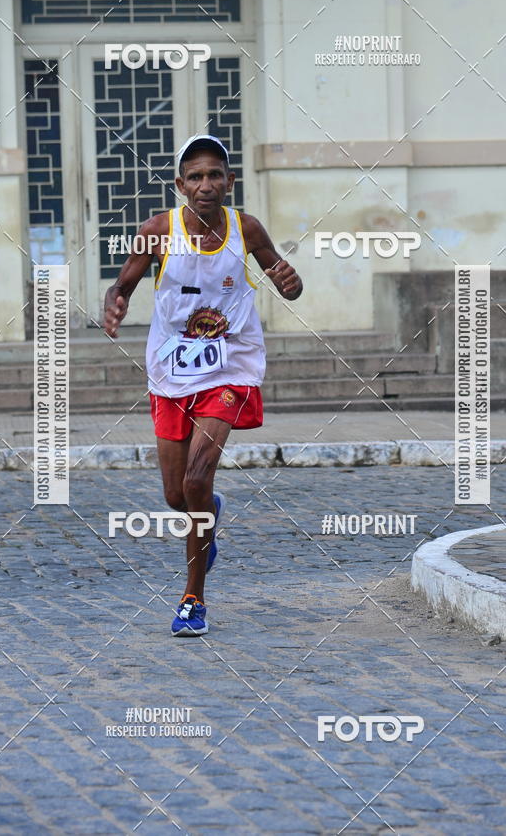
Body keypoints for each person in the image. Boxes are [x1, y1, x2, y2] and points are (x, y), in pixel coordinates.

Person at [103, 134, 303, 636]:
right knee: (178, 496)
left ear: (229, 181)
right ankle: (207, 513)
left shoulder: (246, 228)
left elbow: (282, 277)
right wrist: (115, 303)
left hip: (229, 367)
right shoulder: (157, 231)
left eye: (215, 175)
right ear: (180, 185)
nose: (206, 185)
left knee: (196, 478)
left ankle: (193, 599)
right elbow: (122, 283)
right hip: (171, 371)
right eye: (195, 177)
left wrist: (291, 283)